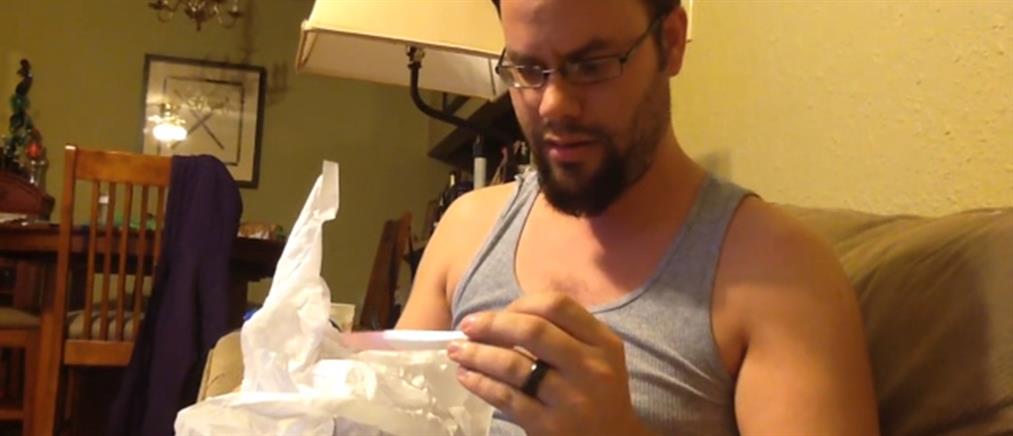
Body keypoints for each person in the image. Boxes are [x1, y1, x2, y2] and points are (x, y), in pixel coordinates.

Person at [397, 0, 879, 434]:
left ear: (670, 42)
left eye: (591, 66)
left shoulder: (781, 273)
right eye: (527, 69)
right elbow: (384, 408)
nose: (554, 104)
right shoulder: (467, 230)